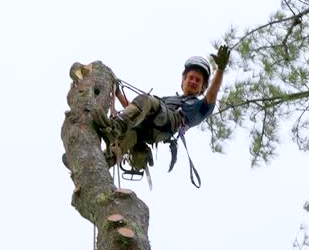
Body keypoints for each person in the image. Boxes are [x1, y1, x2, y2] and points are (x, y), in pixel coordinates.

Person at [94, 48, 230, 176]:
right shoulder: (167, 100)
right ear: (183, 81)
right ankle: (101, 165)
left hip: (168, 125)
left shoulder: (200, 107)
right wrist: (117, 93)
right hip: (147, 130)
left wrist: (220, 69)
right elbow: (134, 110)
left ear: (202, 88)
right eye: (191, 77)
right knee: (129, 135)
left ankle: (114, 128)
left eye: (198, 80)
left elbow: (212, 93)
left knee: (148, 100)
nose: (193, 81)